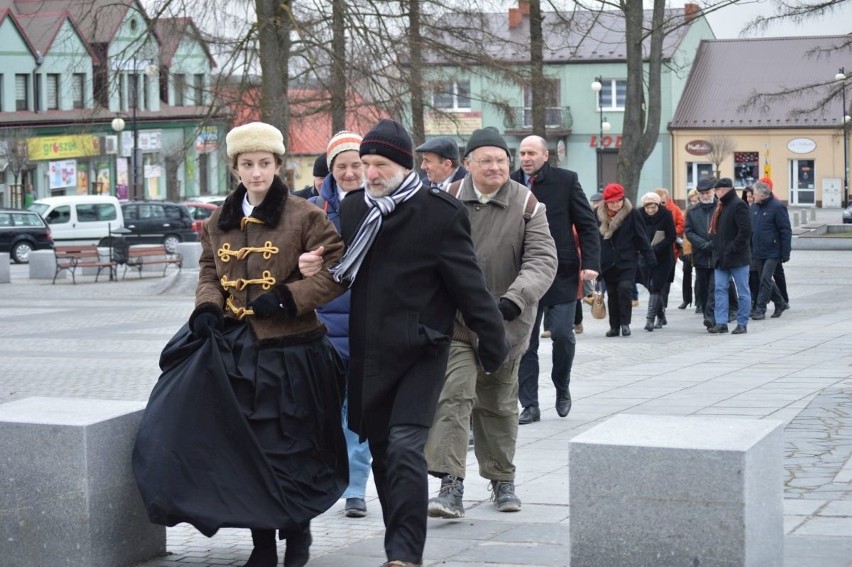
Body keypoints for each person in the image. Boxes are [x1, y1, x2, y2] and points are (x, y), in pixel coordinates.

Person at [332, 119, 508, 567]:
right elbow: (335, 267)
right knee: (384, 458)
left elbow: (470, 286)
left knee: (407, 448)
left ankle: (403, 556)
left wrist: (493, 341)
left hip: (421, 351)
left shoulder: (439, 213)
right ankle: (401, 538)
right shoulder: (355, 210)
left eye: (380, 164)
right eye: (364, 164)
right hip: (369, 357)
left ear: (403, 165)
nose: (370, 173)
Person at [186, 122, 348, 567]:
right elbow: (208, 272)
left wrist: (289, 297)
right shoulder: (219, 220)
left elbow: (338, 270)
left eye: (263, 163)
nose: (255, 173)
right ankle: (262, 545)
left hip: (294, 351)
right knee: (249, 451)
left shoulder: (304, 215)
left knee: (293, 448)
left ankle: (298, 538)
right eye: (246, 164)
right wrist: (206, 307)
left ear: (278, 165)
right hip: (238, 353)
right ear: (235, 167)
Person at [423, 128, 557, 519]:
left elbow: (542, 260)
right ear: (467, 164)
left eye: (501, 160)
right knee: (454, 395)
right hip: (457, 323)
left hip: (506, 324)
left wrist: (513, 301)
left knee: (498, 404)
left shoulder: (528, 204)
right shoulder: (443, 201)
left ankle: (502, 480)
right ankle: (450, 485)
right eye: (486, 160)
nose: (495, 167)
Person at [307, 131, 374, 519]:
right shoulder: (313, 210)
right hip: (323, 326)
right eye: (342, 166)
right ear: (331, 170)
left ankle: (355, 488)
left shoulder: (384, 207)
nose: (350, 172)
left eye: (356, 164)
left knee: (357, 411)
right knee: (324, 410)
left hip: (366, 324)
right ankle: (325, 481)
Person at [511, 135, 600, 425]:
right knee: (525, 343)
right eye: (522, 152)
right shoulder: (510, 183)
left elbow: (587, 225)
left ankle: (562, 385)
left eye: (532, 153)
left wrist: (591, 264)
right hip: (521, 274)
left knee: (562, 333)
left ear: (545, 155)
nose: (526, 158)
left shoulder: (566, 180)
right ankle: (530, 404)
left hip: (560, 271)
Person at [596, 183, 654, 338]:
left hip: (627, 260)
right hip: (607, 262)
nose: (616, 204)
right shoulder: (597, 214)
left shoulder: (632, 214)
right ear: (606, 201)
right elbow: (593, 240)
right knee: (612, 294)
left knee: (625, 289)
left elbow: (641, 237)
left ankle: (625, 324)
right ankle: (614, 327)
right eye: (612, 201)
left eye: (618, 201)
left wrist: (650, 258)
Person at [708, 177, 752, 334]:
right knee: (720, 289)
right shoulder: (721, 206)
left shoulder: (739, 205)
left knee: (743, 291)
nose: (714, 193)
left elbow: (745, 231)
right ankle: (721, 322)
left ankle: (742, 323)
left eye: (716, 190)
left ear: (723, 190)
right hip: (721, 257)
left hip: (737, 257)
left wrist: (731, 248)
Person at [750, 180, 791, 320]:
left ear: (762, 195)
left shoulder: (778, 207)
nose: (752, 196)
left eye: (754, 194)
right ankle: (780, 302)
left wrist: (786, 252)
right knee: (764, 279)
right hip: (758, 251)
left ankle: (760, 309)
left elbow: (785, 230)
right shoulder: (754, 207)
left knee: (765, 279)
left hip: (773, 251)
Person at [637, 192, 676, 332]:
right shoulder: (638, 214)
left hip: (663, 257)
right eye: (648, 208)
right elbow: (636, 234)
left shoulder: (666, 215)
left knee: (656, 286)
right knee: (650, 286)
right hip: (645, 257)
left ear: (658, 205)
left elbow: (672, 236)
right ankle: (661, 315)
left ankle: (650, 319)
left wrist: (655, 248)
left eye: (653, 207)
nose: (651, 210)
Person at [685, 178, 718, 326]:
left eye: (708, 192)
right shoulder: (692, 211)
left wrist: (712, 244)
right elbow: (689, 231)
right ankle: (707, 314)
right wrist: (702, 244)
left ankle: (711, 316)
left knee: (714, 287)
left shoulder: (720, 208)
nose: (705, 196)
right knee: (703, 287)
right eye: (702, 193)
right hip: (700, 255)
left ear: (713, 192)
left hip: (717, 254)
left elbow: (725, 230)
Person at [654, 187, 684, 323]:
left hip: (670, 250)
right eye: (658, 203)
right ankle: (658, 311)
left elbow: (681, 225)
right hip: (654, 250)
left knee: (665, 283)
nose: (661, 206)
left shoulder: (675, 209)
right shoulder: (650, 211)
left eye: (663, 203)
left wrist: (670, 232)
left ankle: (662, 309)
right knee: (655, 284)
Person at [678, 188, 699, 310]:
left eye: (695, 201)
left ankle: (699, 301)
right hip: (687, 245)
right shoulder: (688, 211)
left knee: (699, 274)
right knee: (686, 272)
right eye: (692, 201)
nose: (693, 203)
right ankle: (686, 299)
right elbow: (684, 229)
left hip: (698, 246)